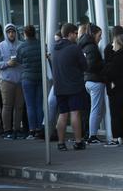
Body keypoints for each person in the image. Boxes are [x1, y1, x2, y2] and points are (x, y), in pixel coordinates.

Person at [51, 23, 87, 151]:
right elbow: (85, 66)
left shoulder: (54, 48)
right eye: (76, 33)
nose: (77, 36)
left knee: (62, 114)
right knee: (75, 113)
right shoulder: (74, 48)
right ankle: (78, 142)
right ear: (70, 34)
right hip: (74, 86)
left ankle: (61, 143)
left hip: (59, 87)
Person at [0, 23, 24, 140]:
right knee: (7, 106)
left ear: (16, 33)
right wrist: (7, 64)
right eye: (9, 32)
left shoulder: (22, 45)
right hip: (6, 81)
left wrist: (20, 62)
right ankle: (7, 130)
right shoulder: (0, 47)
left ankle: (17, 129)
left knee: (19, 106)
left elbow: (26, 60)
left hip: (20, 80)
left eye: (13, 31)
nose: (11, 34)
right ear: (6, 34)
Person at [80, 24, 107, 144]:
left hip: (88, 80)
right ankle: (92, 135)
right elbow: (91, 65)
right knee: (96, 109)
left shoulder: (84, 46)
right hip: (95, 81)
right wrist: (103, 63)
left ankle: (91, 134)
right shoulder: (92, 47)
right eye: (99, 35)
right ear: (93, 34)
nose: (100, 38)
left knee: (95, 109)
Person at [16, 25, 43, 139]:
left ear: (25, 34)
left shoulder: (21, 47)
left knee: (30, 105)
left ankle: (32, 130)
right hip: (40, 77)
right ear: (35, 33)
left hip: (27, 78)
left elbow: (19, 60)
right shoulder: (41, 45)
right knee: (39, 104)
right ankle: (40, 129)